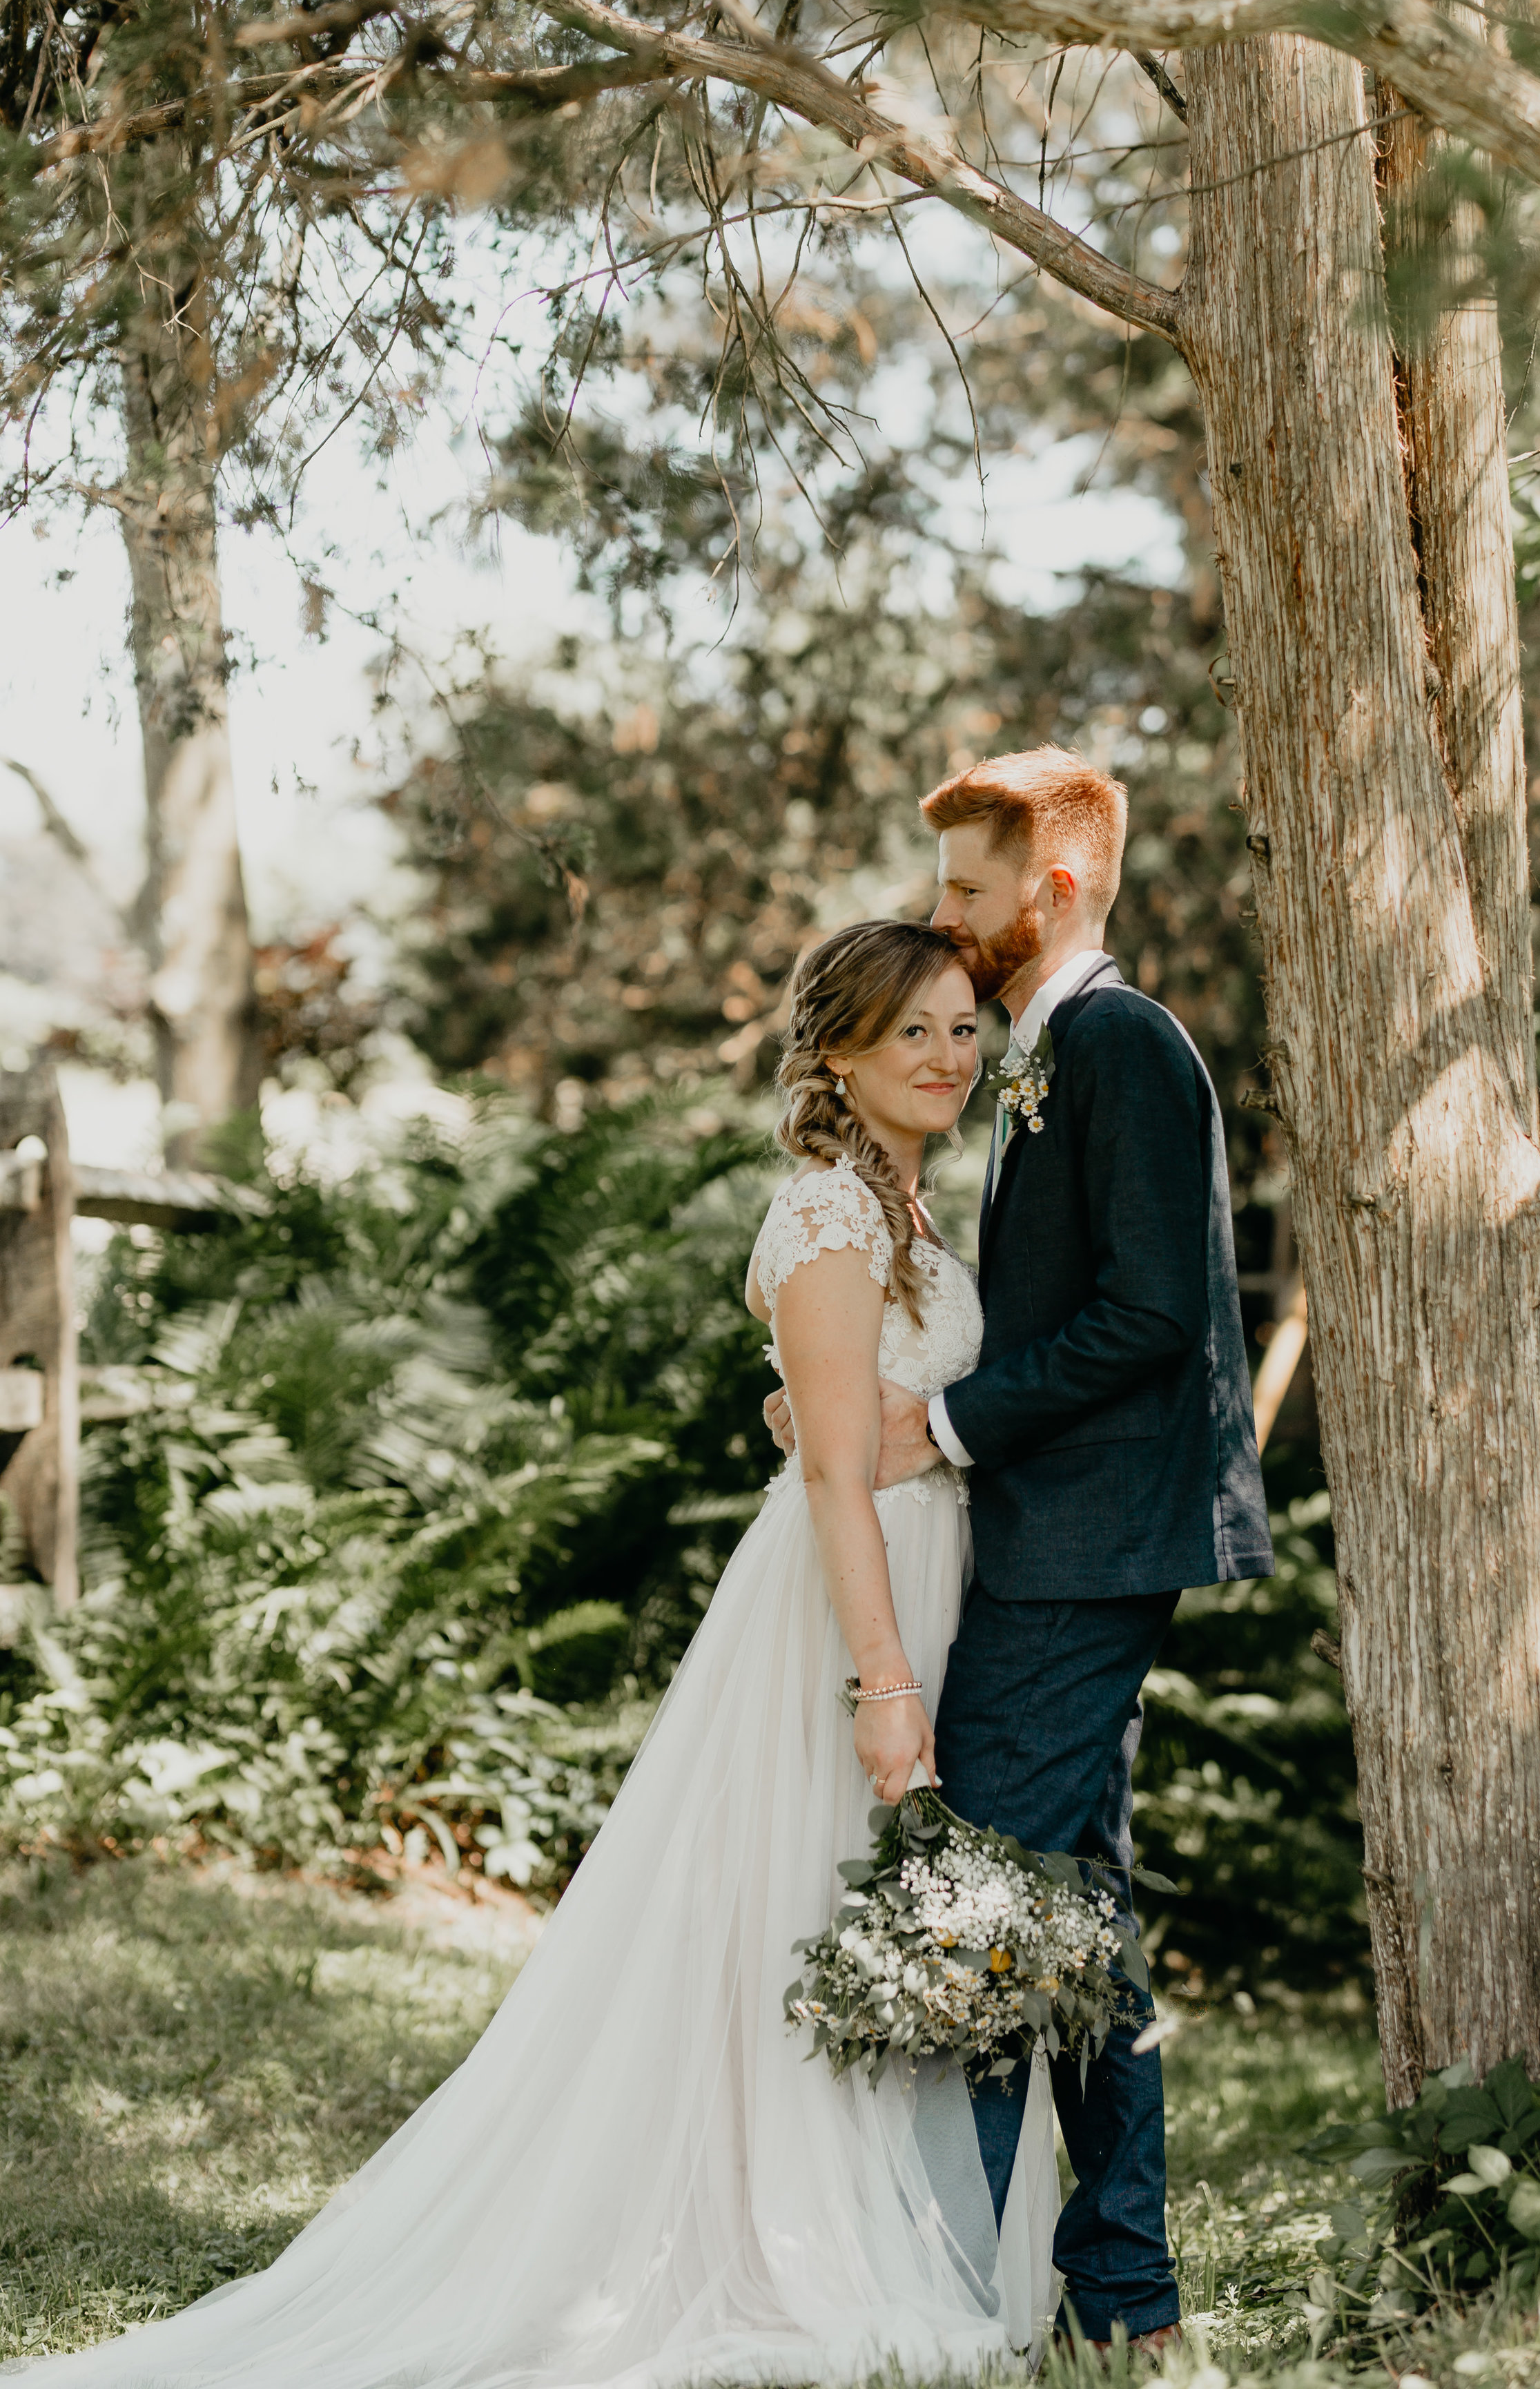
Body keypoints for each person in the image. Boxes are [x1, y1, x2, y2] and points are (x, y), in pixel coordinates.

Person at [6, 921, 1060, 2389]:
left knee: (850, 1902)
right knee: (807, 1898)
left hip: (932, 1571)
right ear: (837, 1054)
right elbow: (831, 1474)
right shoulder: (828, 1211)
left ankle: (866, 2212)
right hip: (850, 1598)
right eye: (914, 1035)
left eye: (962, 1029)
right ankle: (775, 2232)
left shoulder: (918, 1212)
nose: (949, 1057)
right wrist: (884, 1681)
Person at [769, 746, 1274, 2354]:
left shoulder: (1119, 1045)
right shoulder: (1046, 1054)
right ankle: (1121, 2294)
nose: (945, 917)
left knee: (975, 1899)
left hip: (1077, 1541)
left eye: (968, 892)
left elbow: (1149, 1314)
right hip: (1053, 1538)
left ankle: (936, 2284)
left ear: (1050, 887)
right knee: (1073, 1911)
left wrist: (951, 1426)